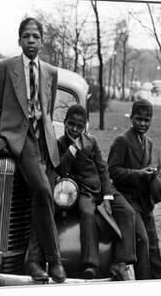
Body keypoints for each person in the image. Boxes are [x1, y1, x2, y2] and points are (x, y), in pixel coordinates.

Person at [0, 17, 66, 283]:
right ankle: (53, 261)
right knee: (43, 190)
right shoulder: (7, 67)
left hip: (45, 142)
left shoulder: (51, 72)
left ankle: (33, 261)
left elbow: (48, 111)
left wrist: (49, 139)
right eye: (26, 36)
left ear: (42, 41)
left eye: (36, 36)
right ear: (19, 40)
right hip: (20, 139)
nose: (31, 41)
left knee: (42, 198)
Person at [56, 104, 140, 281]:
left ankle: (121, 261)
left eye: (79, 126)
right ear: (64, 123)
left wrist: (108, 196)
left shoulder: (91, 141)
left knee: (127, 211)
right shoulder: (61, 144)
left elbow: (103, 169)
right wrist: (72, 149)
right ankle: (90, 264)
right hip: (83, 191)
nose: (74, 129)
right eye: (71, 124)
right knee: (87, 213)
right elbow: (61, 170)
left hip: (102, 188)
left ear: (84, 126)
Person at [108, 99, 161, 280]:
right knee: (142, 240)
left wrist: (150, 173)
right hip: (127, 200)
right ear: (131, 118)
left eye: (146, 120)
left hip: (143, 200)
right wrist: (139, 173)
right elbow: (113, 171)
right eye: (139, 119)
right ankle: (143, 283)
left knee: (154, 245)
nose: (142, 124)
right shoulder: (122, 141)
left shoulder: (148, 142)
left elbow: (144, 168)